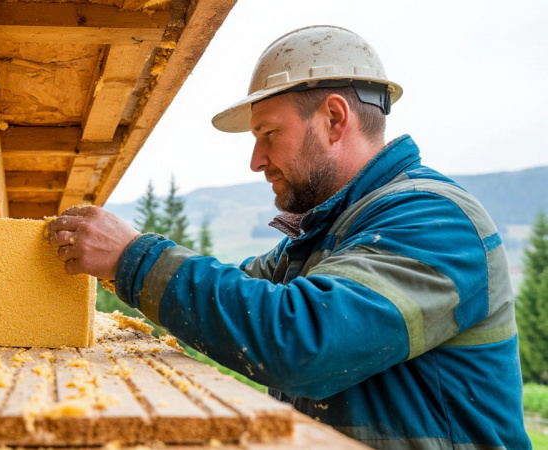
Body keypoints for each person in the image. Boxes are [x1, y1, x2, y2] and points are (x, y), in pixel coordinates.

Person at [48, 26, 530, 449]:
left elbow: (303, 341)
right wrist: (114, 268)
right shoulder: (332, 232)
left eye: (269, 134)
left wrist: (131, 258)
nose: (256, 161)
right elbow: (240, 295)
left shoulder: (434, 220)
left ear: (334, 119)